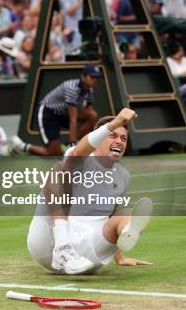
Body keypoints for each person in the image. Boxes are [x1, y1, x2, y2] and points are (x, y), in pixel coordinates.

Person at [27, 109, 154, 275]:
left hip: (88, 257)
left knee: (127, 215)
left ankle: (128, 231)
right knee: (58, 170)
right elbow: (79, 151)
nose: (119, 142)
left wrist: (120, 257)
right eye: (113, 135)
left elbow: (112, 216)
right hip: (47, 247)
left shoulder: (123, 176)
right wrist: (116, 122)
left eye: (123, 138)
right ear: (99, 137)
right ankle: (63, 247)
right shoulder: (81, 158)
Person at [13, 65, 101, 156]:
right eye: (92, 77)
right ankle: (22, 146)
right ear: (83, 77)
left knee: (92, 115)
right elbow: (73, 119)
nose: (95, 80)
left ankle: (75, 144)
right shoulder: (72, 88)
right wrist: (72, 147)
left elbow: (89, 113)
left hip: (62, 114)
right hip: (47, 113)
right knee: (54, 152)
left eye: (97, 78)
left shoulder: (90, 90)